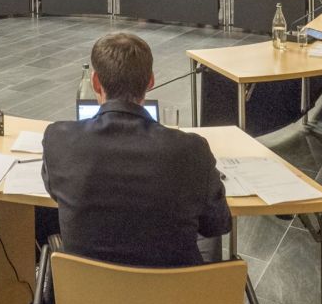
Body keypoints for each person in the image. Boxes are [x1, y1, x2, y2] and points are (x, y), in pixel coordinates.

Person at [42, 32, 230, 269]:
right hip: (174, 292)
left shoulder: (59, 140)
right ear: (150, 81)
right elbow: (217, 224)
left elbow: (55, 194)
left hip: (86, 291)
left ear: (95, 82)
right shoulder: (193, 150)